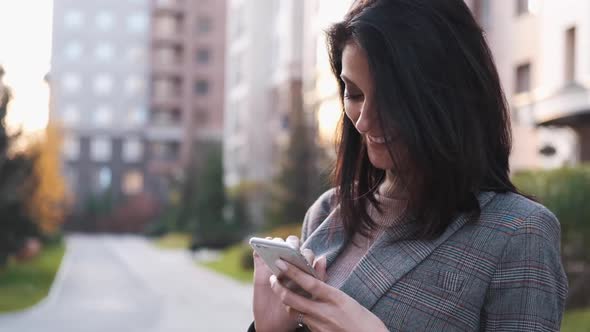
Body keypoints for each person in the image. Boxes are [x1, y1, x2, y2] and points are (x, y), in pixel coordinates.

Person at [249, 0, 568, 331]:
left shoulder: (518, 234)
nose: (364, 121)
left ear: (447, 94)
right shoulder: (328, 212)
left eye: (390, 97)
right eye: (354, 94)